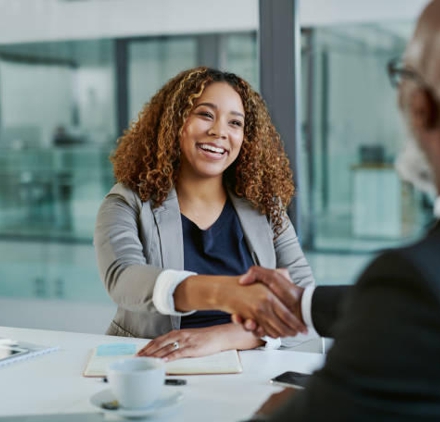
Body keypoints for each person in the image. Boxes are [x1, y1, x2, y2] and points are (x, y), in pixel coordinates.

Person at [213, 0, 440, 419]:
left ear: (421, 107)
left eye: (234, 122)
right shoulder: (431, 285)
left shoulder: (418, 285)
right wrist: (303, 304)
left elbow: (417, 307)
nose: (219, 133)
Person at [94, 67, 315, 361]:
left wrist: (219, 337)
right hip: (153, 364)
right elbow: (123, 279)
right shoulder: (127, 202)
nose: (219, 132)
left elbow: (303, 304)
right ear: (174, 122)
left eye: (235, 122)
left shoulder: (265, 207)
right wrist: (225, 293)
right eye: (205, 115)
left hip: (247, 367)